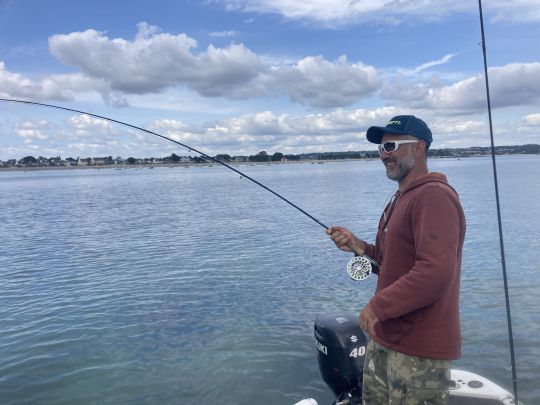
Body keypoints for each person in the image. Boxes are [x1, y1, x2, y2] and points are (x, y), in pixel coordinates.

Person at [327, 115, 466, 404]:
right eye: (381, 148)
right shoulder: (400, 198)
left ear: (419, 147)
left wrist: (378, 306)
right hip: (384, 339)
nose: (383, 155)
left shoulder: (434, 197)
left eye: (390, 146)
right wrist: (359, 246)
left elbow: (434, 273)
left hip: (418, 349)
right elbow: (391, 263)